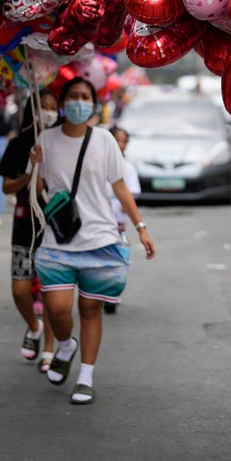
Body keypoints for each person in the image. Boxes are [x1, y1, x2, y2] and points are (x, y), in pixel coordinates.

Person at [35, 77, 155, 405]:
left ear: (93, 102)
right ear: (63, 102)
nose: (78, 101)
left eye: (84, 96)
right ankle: (65, 345)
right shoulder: (45, 139)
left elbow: (119, 187)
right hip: (59, 238)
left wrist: (140, 227)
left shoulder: (104, 140)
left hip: (100, 236)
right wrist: (33, 166)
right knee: (58, 309)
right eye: (72, 96)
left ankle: (86, 375)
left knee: (90, 308)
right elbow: (37, 191)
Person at [0, 91, 59, 364]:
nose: (48, 112)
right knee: (20, 290)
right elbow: (7, 187)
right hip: (24, 224)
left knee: (50, 290)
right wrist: (29, 171)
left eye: (52, 107)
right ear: (31, 111)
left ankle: (49, 348)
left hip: (55, 225)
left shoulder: (62, 144)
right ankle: (35, 327)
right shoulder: (18, 145)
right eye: (42, 107)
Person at [105, 126, 141, 315]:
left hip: (117, 223)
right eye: (116, 140)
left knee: (118, 257)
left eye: (123, 141)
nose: (119, 145)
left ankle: (113, 291)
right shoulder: (98, 163)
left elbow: (130, 194)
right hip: (98, 221)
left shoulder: (128, 168)